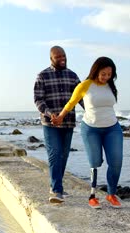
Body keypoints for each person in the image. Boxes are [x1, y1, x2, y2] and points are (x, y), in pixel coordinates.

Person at [52, 57, 123, 209]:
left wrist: (108, 80)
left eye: (109, 74)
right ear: (96, 70)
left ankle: (111, 194)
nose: (106, 77)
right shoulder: (85, 85)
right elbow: (71, 103)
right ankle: (92, 196)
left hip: (113, 128)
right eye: (103, 74)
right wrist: (60, 117)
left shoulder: (110, 85)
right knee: (95, 161)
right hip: (91, 129)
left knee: (116, 162)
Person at [34, 46, 81, 203]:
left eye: (64, 56)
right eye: (58, 57)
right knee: (55, 153)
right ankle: (56, 191)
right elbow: (38, 100)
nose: (62, 59)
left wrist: (94, 111)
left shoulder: (73, 76)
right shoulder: (42, 76)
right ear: (51, 59)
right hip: (50, 123)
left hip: (68, 122)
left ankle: (56, 185)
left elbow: (81, 98)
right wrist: (49, 114)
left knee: (64, 155)